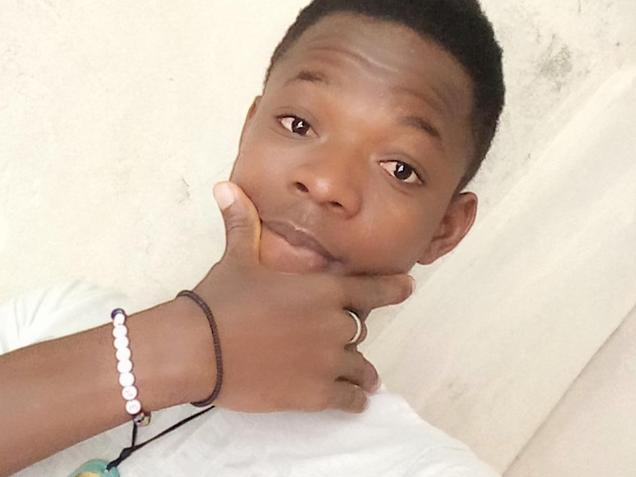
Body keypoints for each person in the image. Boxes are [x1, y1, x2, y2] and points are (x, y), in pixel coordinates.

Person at [0, 0, 505, 475]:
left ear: (445, 228)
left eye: (400, 168)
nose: (325, 182)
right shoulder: (53, 321)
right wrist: (183, 346)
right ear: (248, 130)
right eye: (298, 124)